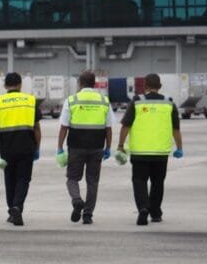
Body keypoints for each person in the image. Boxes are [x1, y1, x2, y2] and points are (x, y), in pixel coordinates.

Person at [116, 73, 183, 225]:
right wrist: (179, 147)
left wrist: (120, 145)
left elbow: (126, 125)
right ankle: (156, 213)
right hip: (160, 152)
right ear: (159, 86)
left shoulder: (137, 101)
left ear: (145, 85)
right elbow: (176, 129)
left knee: (139, 180)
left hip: (140, 152)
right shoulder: (169, 103)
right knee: (158, 182)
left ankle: (143, 208)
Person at [56, 71, 115, 225]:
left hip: (76, 147)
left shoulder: (72, 100)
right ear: (94, 83)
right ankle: (88, 215)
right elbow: (109, 128)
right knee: (92, 181)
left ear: (80, 84)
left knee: (72, 179)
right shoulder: (104, 100)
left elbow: (64, 127)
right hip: (96, 147)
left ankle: (76, 200)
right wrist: (108, 147)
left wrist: (60, 147)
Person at [0, 72, 41, 226]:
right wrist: (37, 147)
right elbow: (37, 128)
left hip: (7, 148)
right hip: (27, 147)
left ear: (5, 86)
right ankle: (17, 207)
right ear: (20, 85)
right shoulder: (30, 100)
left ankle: (12, 210)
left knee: (9, 180)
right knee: (23, 179)